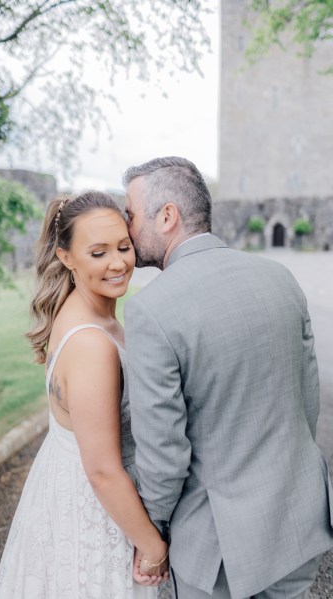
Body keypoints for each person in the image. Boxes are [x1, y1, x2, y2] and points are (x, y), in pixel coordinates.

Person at [122, 156, 333, 599]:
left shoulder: (151, 309)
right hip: (298, 522)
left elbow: (164, 454)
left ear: (167, 216)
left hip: (218, 553)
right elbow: (307, 400)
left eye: (132, 213)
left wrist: (152, 534)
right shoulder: (280, 278)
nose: (127, 226)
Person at [0, 191, 171, 599]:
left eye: (124, 247)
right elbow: (103, 471)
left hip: (66, 488)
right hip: (96, 512)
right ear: (66, 257)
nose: (118, 262)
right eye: (98, 252)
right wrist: (153, 547)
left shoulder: (84, 313)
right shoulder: (91, 345)